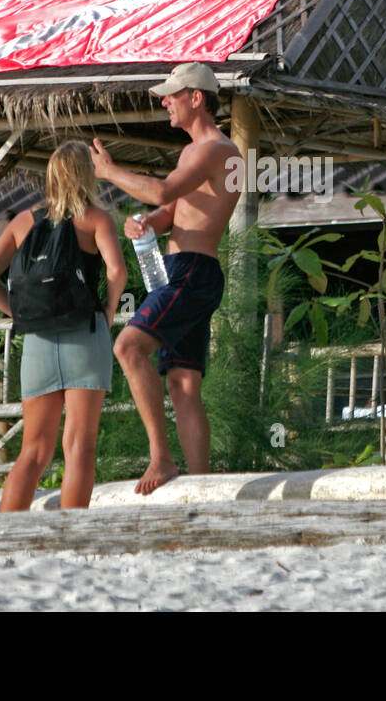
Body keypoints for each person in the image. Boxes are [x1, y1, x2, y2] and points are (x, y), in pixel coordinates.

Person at [89, 62, 241, 495]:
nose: (164, 101)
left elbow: (161, 191)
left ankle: (161, 456)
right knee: (183, 382)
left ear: (198, 97)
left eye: (173, 93)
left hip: (190, 271)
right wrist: (147, 224)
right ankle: (201, 484)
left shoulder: (215, 149)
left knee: (128, 346)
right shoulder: (198, 151)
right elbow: (172, 210)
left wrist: (110, 172)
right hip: (186, 270)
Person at [0, 142, 126, 510]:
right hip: (85, 336)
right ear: (85, 175)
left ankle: (8, 533)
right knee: (78, 446)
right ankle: (69, 533)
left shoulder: (23, 221)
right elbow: (117, 271)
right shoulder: (96, 218)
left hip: (38, 342)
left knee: (33, 449)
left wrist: (17, 313)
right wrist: (107, 310)